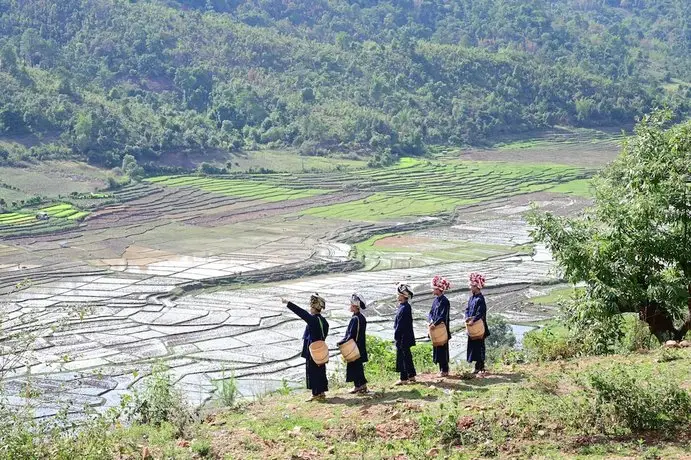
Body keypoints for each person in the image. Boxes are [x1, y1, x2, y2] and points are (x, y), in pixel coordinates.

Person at [282, 293, 330, 401]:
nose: (310, 309)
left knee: (312, 371)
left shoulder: (312, 320)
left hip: (312, 350)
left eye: (311, 307)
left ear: (314, 308)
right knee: (321, 370)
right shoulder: (324, 321)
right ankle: (321, 392)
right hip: (321, 349)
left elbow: (301, 312)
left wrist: (288, 303)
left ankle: (315, 394)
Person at [337, 293, 369, 394]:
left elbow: (350, 335)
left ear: (355, 306)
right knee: (358, 367)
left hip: (354, 348)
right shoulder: (361, 317)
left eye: (351, 304)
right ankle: (362, 385)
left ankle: (358, 386)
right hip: (360, 346)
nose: (350, 306)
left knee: (355, 367)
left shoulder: (355, 319)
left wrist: (341, 342)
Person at [465, 273, 490, 375]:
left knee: (479, 346)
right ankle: (478, 367)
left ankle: (479, 367)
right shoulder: (471, 298)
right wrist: (466, 317)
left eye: (472, 286)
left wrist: (473, 320)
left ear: (477, 287)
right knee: (473, 346)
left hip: (478, 327)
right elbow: (467, 309)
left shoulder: (480, 299)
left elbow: (481, 312)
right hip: (471, 326)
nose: (470, 287)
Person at [394, 283, 417, 385]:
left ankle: (404, 378)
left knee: (403, 356)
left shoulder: (404, 308)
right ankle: (411, 376)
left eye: (399, 294)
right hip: (405, 336)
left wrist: (397, 335)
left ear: (403, 296)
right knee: (406, 356)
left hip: (403, 337)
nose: (397, 296)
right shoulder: (404, 306)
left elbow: (401, 324)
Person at [429, 275, 451, 377]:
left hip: (441, 329)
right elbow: (431, 313)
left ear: (439, 289)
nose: (432, 290)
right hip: (434, 327)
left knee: (443, 349)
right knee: (437, 349)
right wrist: (430, 321)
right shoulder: (435, 301)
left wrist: (435, 323)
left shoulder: (445, 301)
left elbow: (442, 316)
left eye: (434, 288)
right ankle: (441, 369)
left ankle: (445, 370)